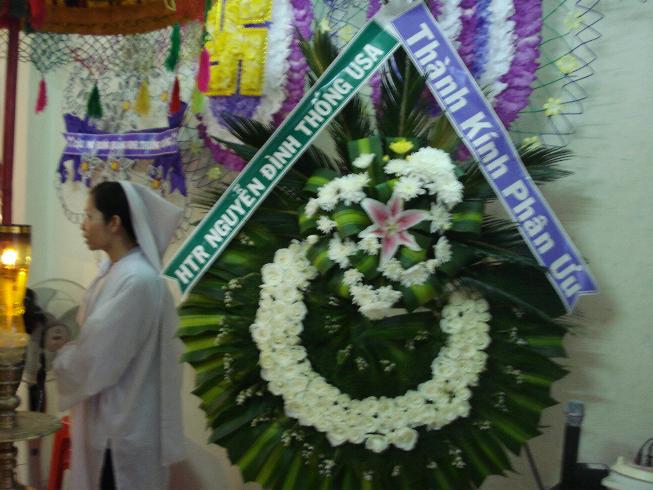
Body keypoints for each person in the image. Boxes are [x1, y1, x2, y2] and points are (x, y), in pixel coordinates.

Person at [53, 181, 185, 490]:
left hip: (122, 429)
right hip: (112, 421)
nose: (83, 225)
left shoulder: (136, 280)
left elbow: (97, 357)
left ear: (114, 223)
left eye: (90, 216)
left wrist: (62, 358)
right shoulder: (115, 271)